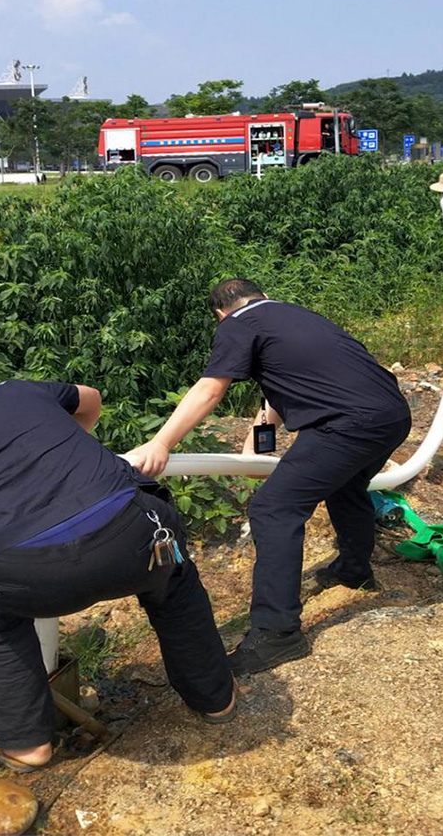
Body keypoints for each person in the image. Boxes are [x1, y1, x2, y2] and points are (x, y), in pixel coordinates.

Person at [0, 379, 236, 771]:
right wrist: (73, 445)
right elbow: (92, 397)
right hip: (132, 537)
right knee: (173, 584)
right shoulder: (11, 391)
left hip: (27, 571)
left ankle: (25, 744)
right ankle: (215, 700)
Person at [130, 280, 412, 676]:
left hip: (348, 424)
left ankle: (278, 633)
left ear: (219, 313)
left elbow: (211, 389)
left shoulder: (236, 323)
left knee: (274, 508)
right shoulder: (294, 316)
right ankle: (354, 568)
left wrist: (160, 443)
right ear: (262, 296)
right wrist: (258, 438)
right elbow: (282, 386)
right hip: (392, 415)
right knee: (346, 486)